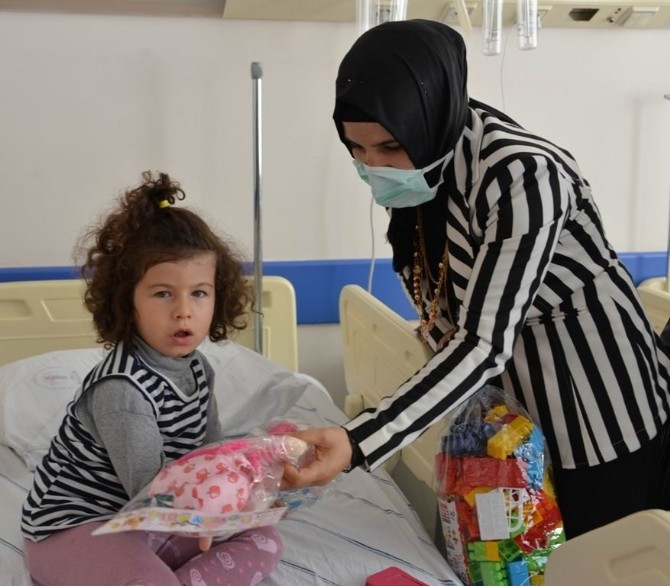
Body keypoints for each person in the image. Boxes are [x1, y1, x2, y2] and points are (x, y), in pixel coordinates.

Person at [283, 19, 670, 539]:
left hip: (592, 402)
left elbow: (483, 342)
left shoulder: (523, 176)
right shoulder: (426, 170)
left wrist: (358, 440)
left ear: (429, 120)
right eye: (357, 148)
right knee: (513, 557)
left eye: (390, 147)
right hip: (508, 417)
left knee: (589, 556)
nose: (374, 167)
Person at [21, 172, 284, 586]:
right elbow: (150, 490)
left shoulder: (198, 370)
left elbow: (210, 455)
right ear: (128, 302)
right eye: (163, 293)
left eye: (199, 293)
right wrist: (214, 510)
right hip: (75, 528)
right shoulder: (122, 389)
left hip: (148, 523)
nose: (184, 310)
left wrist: (260, 472)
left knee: (265, 541)